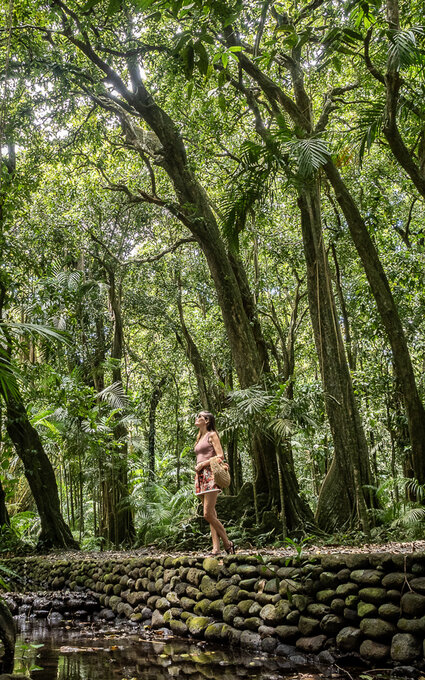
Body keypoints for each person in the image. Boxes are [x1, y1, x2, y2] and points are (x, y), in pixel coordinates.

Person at [194, 411, 235, 556]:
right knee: (212, 513)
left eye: (200, 417)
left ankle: (227, 543)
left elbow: (220, 456)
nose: (197, 418)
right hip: (200, 477)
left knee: (207, 514)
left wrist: (203, 464)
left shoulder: (212, 435)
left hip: (210, 475)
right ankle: (216, 549)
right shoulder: (199, 437)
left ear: (207, 421)